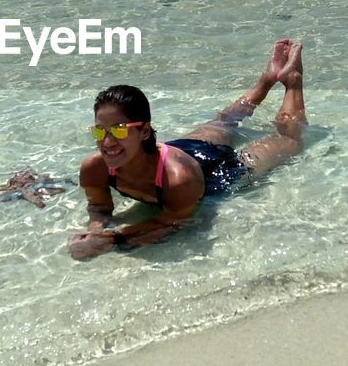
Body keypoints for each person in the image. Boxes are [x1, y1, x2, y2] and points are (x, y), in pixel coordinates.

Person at [68, 39, 306, 259]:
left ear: (145, 131)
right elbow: (99, 207)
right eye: (100, 131)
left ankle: (292, 80)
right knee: (225, 120)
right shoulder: (94, 167)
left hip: (216, 172)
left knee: (290, 140)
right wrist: (94, 232)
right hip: (185, 149)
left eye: (118, 130)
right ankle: (268, 78)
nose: (107, 142)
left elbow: (172, 223)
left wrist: (112, 240)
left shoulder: (178, 179)